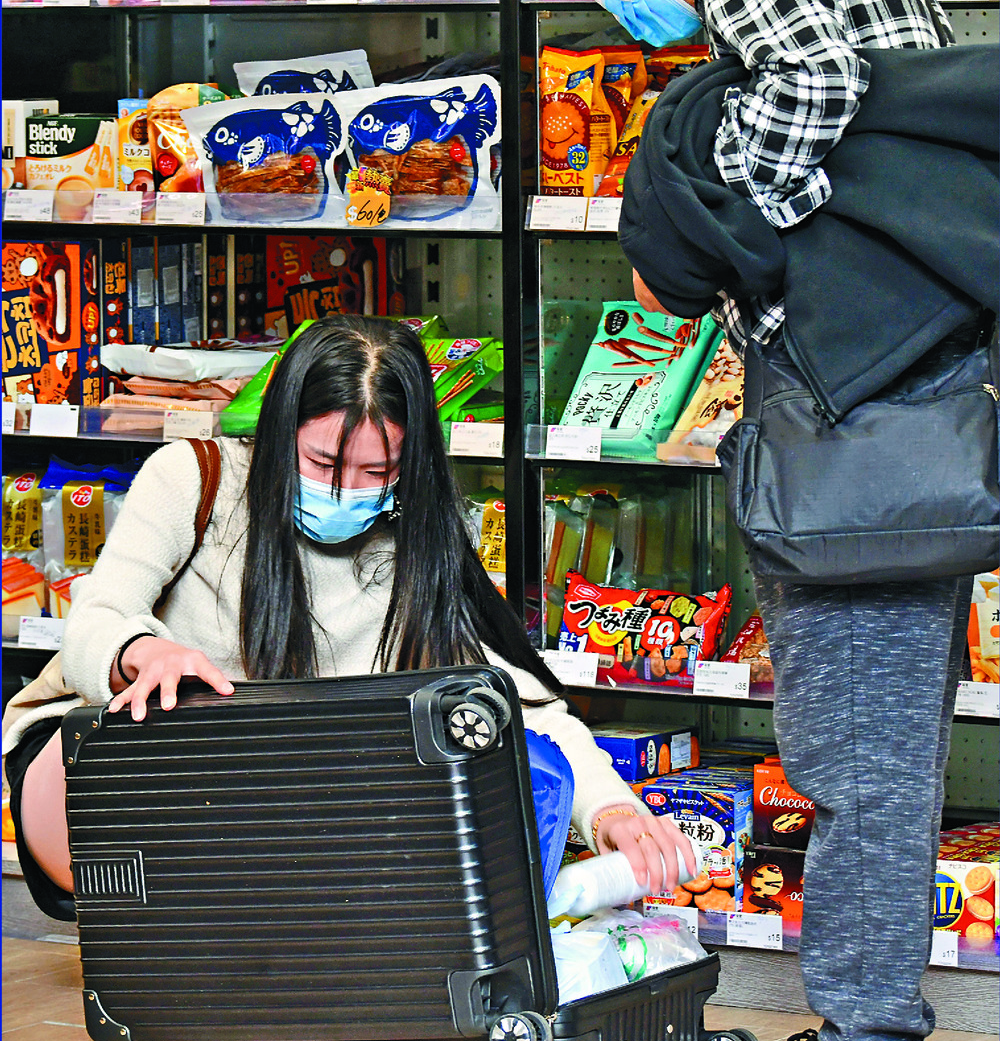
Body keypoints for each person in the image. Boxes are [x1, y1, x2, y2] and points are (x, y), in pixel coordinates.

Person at [550, 0, 973, 1041]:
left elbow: (813, 81)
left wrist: (764, 242)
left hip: (871, 417)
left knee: (860, 769)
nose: (622, 2)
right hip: (896, 400)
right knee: (855, 747)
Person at [6, 315, 695, 929]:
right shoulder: (195, 479)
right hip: (112, 773)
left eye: (378, 472)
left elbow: (522, 707)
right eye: (323, 463)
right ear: (280, 431)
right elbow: (91, 621)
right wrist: (141, 653)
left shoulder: (418, 542)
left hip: (278, 809)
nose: (346, 491)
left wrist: (611, 810)